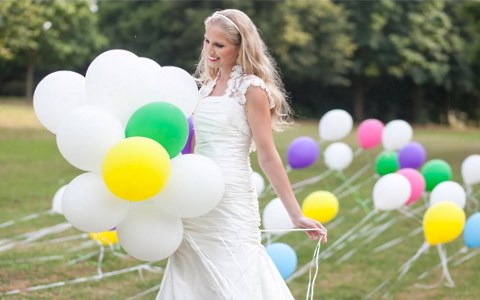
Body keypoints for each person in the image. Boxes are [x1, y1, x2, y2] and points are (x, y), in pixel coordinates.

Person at [157, 9, 327, 299]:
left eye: (219, 45)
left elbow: (268, 155)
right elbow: (194, 145)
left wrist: (295, 214)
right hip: (196, 197)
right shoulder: (205, 89)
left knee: (235, 273)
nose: (210, 50)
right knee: (190, 272)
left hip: (231, 196)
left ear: (240, 47)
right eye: (207, 41)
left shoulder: (251, 89)